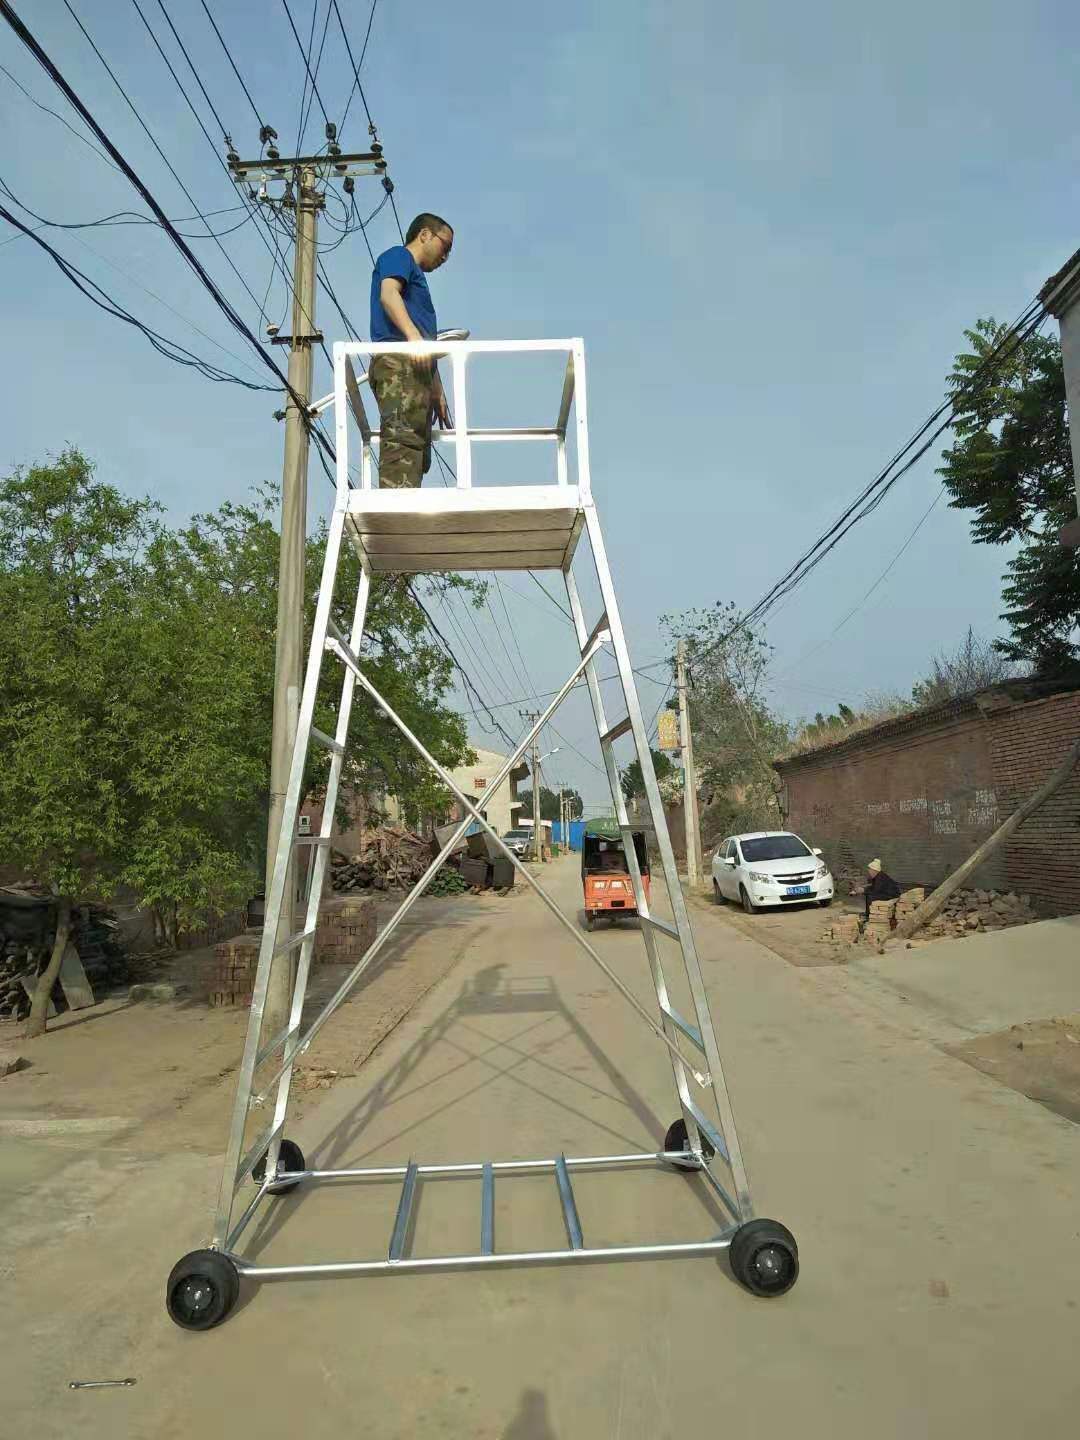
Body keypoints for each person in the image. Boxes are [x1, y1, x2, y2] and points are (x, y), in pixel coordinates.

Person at [368, 213, 454, 488]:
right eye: (445, 246)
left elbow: (425, 341)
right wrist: (414, 337)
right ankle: (395, 521)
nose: (445, 256)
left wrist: (436, 388)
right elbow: (389, 293)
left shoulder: (419, 285)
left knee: (416, 451)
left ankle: (403, 516)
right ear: (425, 235)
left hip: (418, 372)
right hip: (400, 364)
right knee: (403, 443)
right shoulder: (398, 256)